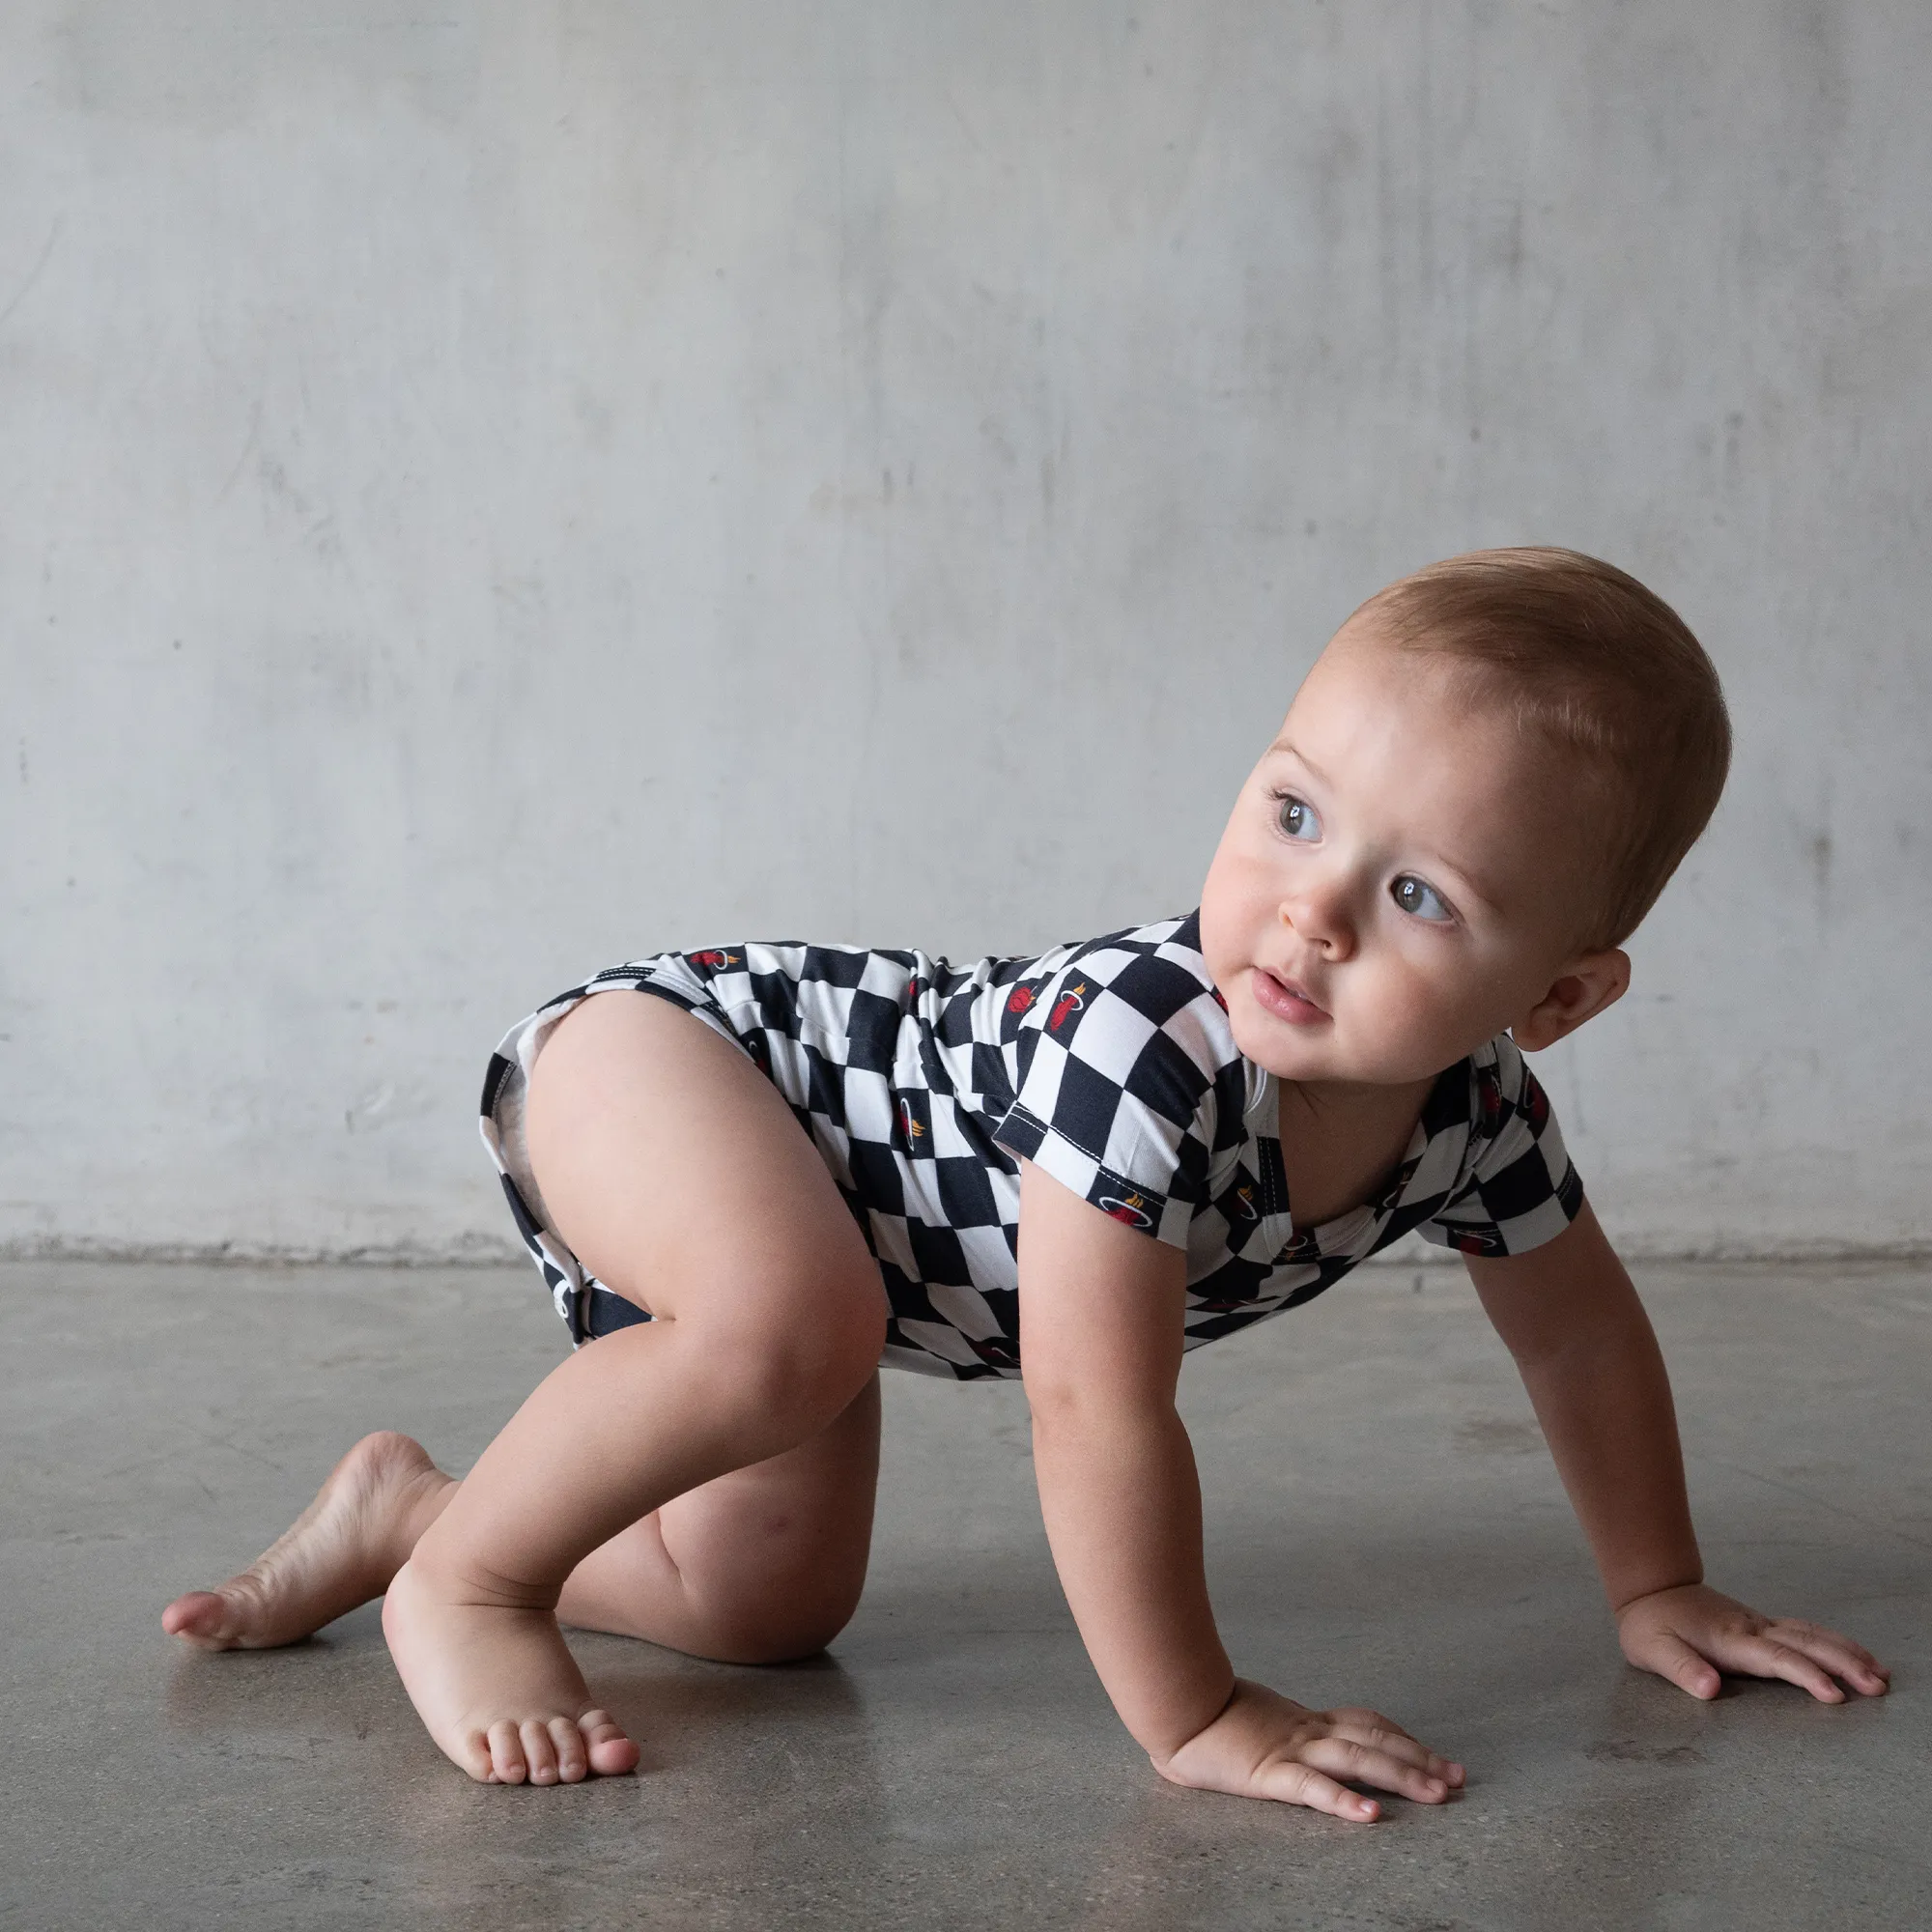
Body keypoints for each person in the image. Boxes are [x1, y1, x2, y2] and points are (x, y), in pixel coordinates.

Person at [163, 547, 1889, 1817]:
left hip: (847, 1234)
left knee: (760, 1607)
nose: (1313, 911)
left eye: (1421, 896)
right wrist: (1197, 1713)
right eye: (1293, 814)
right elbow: (1095, 1411)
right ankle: (475, 1594)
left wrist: (1655, 1580)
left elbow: (1579, 1340)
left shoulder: (1478, 1116)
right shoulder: (1150, 1052)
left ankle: (420, 1520)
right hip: (682, 1056)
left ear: (1561, 997)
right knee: (791, 1321)